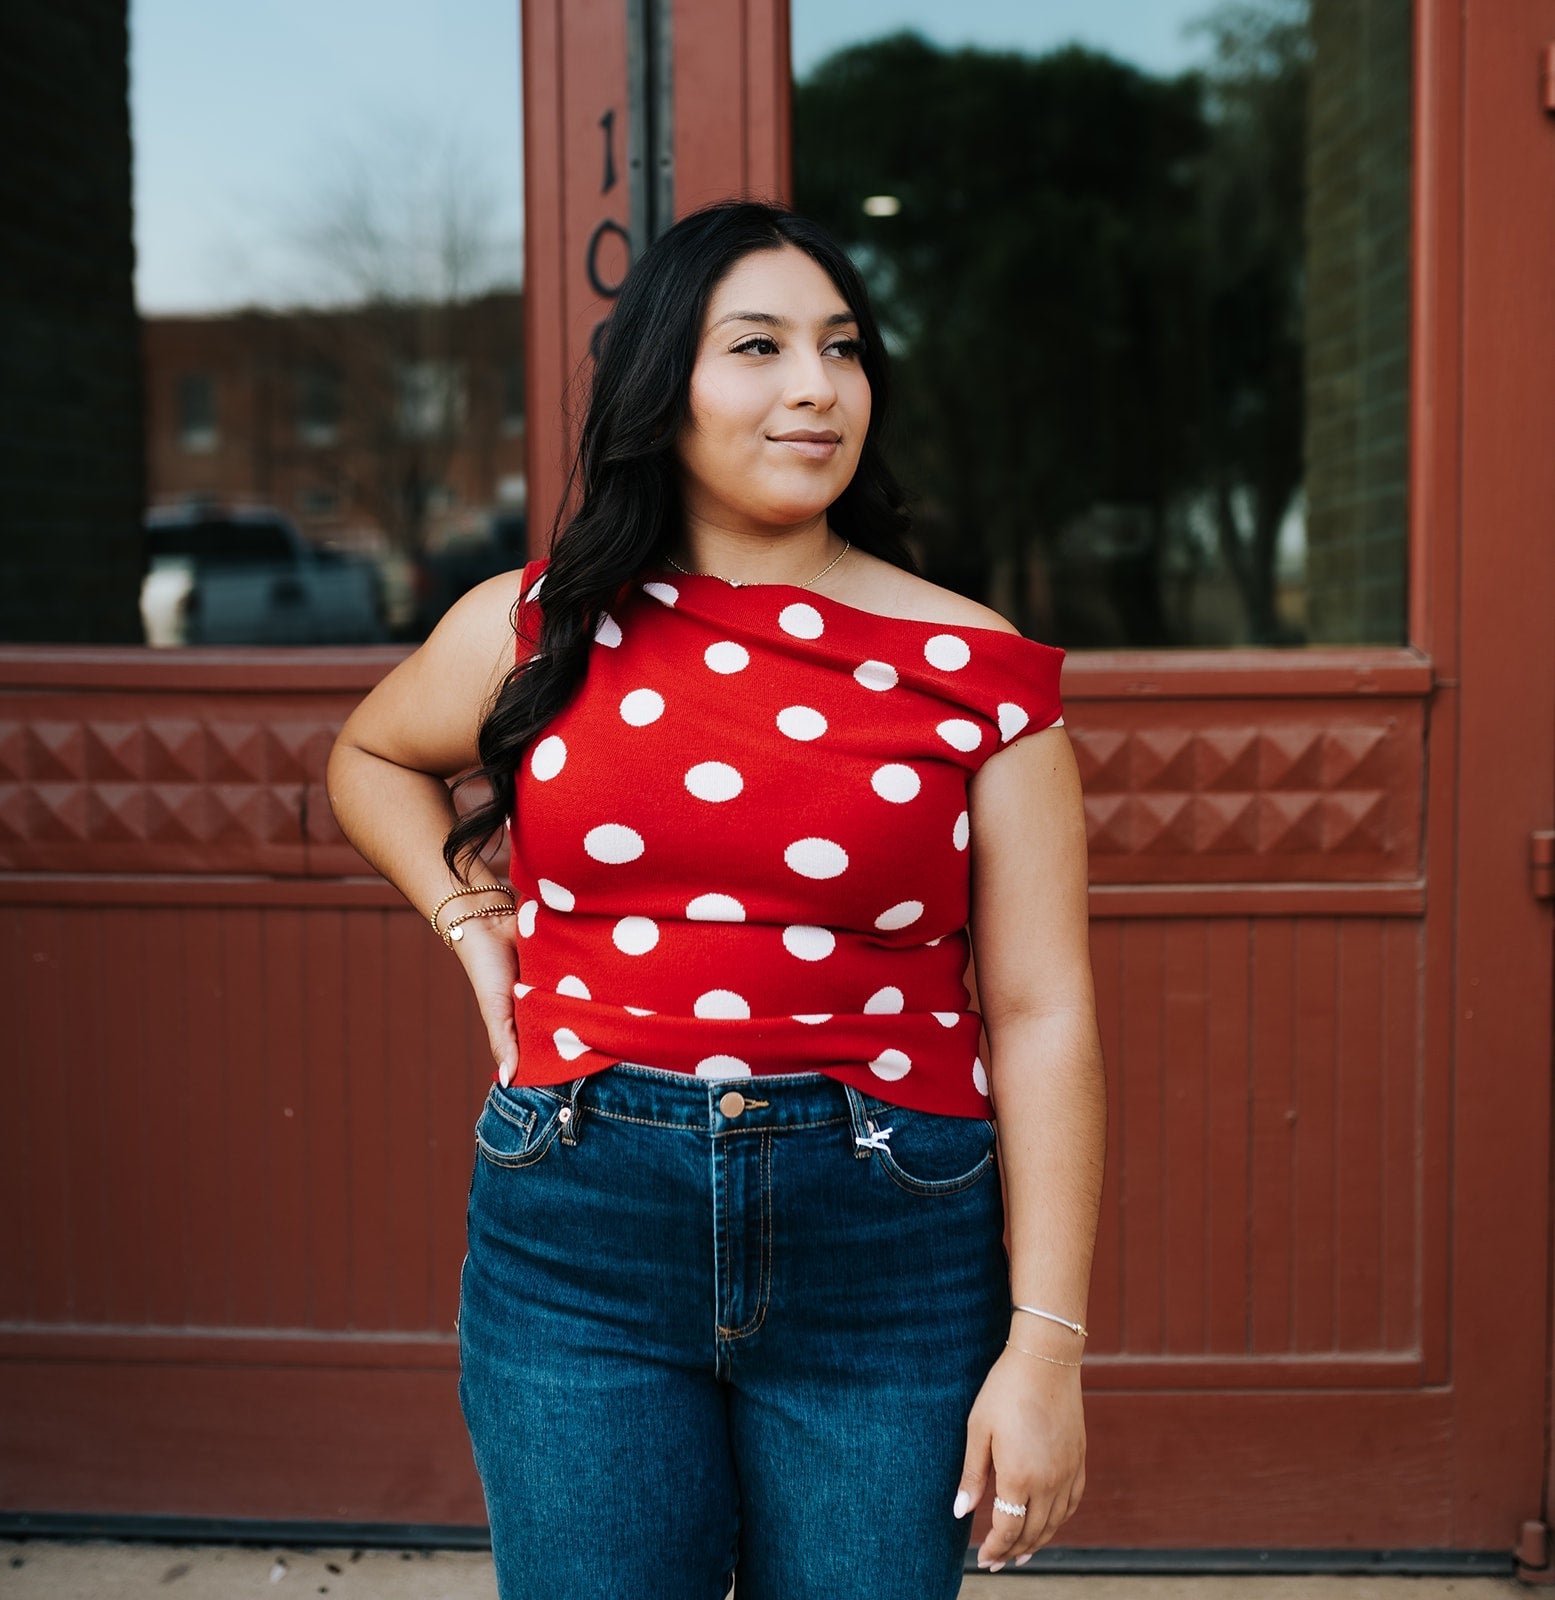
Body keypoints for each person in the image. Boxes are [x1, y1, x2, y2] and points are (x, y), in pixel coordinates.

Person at [326, 197, 1105, 1599]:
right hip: (578, 1240)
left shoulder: (971, 664)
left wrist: (1046, 1346)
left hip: (890, 1240)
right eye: (758, 347)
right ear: (660, 387)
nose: (817, 386)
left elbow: (1044, 1014)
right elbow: (373, 754)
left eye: (845, 348)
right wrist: (468, 915)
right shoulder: (539, 622)